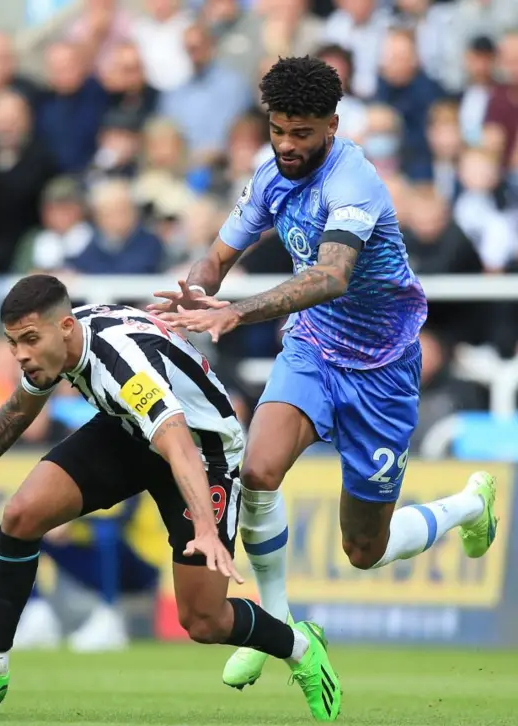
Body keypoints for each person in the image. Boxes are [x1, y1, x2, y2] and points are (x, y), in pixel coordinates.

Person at [152, 56, 498, 691]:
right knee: (257, 469)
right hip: (312, 350)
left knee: (364, 550)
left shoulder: (355, 182)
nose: (287, 144)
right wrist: (192, 296)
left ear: (332, 126)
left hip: (383, 369)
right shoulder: (270, 175)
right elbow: (218, 257)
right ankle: (282, 630)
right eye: (278, 130)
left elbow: (332, 275)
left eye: (302, 133)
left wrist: (239, 313)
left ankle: (469, 505)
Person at [0, 274, 341, 722]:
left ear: (66, 329)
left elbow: (179, 446)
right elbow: (20, 408)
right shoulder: (56, 350)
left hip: (204, 450)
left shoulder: (123, 366)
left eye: (30, 340)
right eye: (13, 342)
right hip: (130, 432)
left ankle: (301, 647)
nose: (21, 354)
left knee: (203, 620)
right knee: (21, 515)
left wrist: (208, 531)